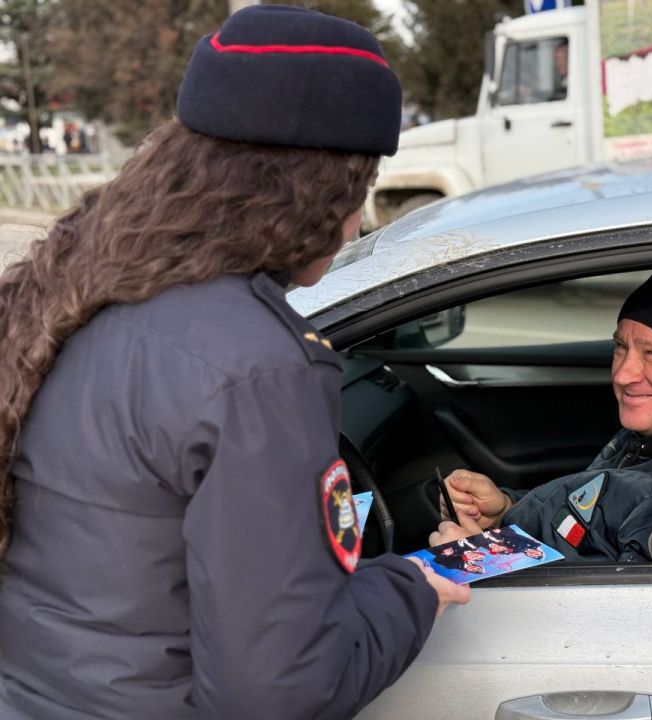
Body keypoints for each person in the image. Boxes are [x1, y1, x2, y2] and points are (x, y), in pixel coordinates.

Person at [0, 6, 469, 720]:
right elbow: (275, 690)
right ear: (310, 197)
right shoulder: (260, 370)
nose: (356, 226)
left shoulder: (69, 293)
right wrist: (412, 588)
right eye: (358, 193)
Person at [431, 267, 652, 563]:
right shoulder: (649, 442)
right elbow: (580, 527)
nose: (623, 374)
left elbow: (625, 606)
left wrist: (478, 562)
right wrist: (505, 511)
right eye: (620, 346)